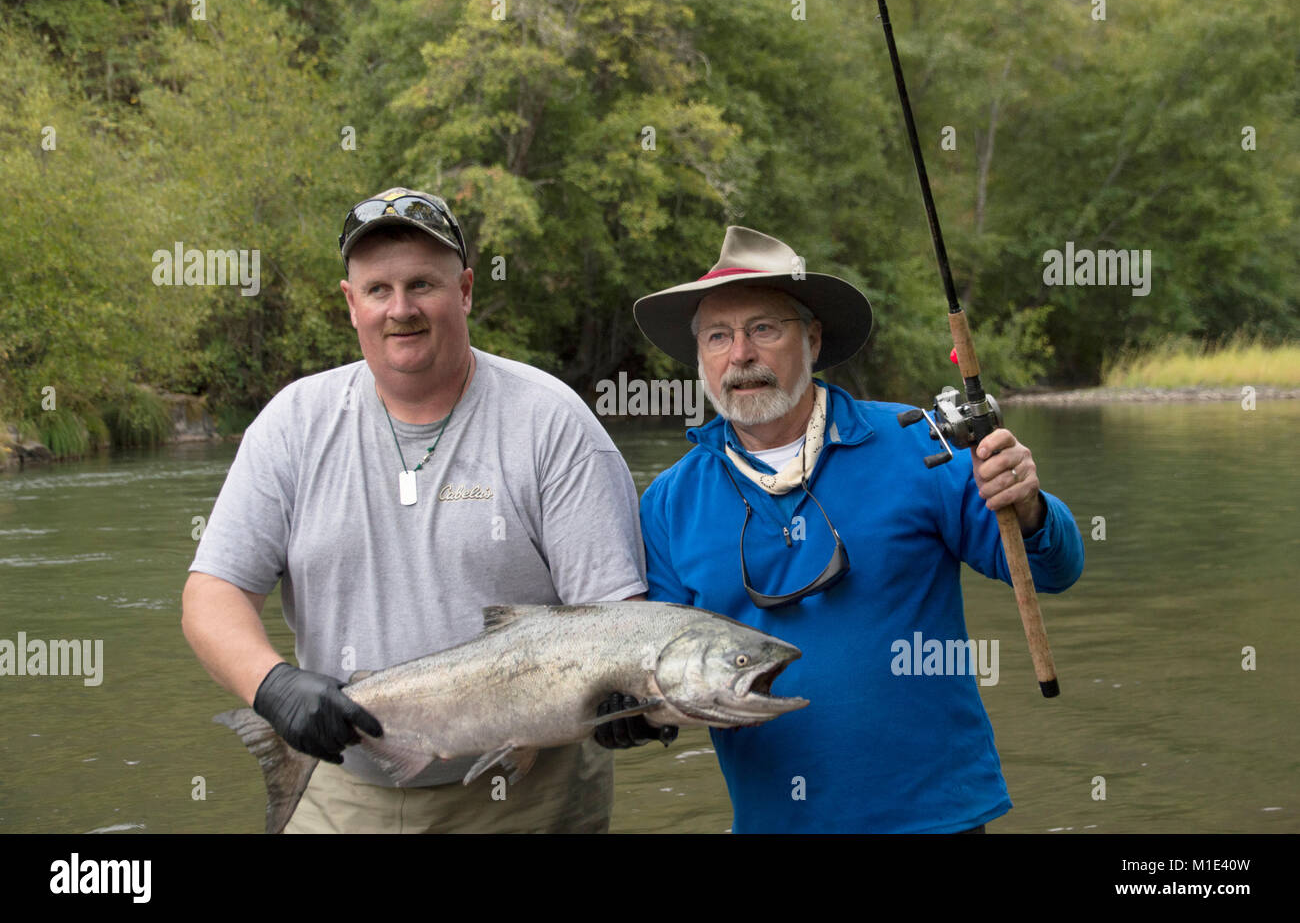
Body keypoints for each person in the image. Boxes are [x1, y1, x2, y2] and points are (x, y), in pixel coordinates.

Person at [182, 186, 648, 833]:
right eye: (378, 290)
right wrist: (272, 687)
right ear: (351, 305)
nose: (400, 310)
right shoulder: (291, 425)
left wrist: (632, 693)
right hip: (343, 791)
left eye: (422, 285)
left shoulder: (552, 423)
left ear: (464, 291)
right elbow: (213, 593)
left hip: (529, 795)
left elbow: (614, 619)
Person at [626, 226, 1085, 833]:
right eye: (718, 336)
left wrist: (1027, 505)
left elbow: (1056, 570)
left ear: (811, 338)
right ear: (701, 358)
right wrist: (633, 714)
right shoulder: (667, 502)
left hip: (938, 821)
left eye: (764, 328)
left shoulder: (916, 443)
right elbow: (662, 675)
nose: (740, 355)